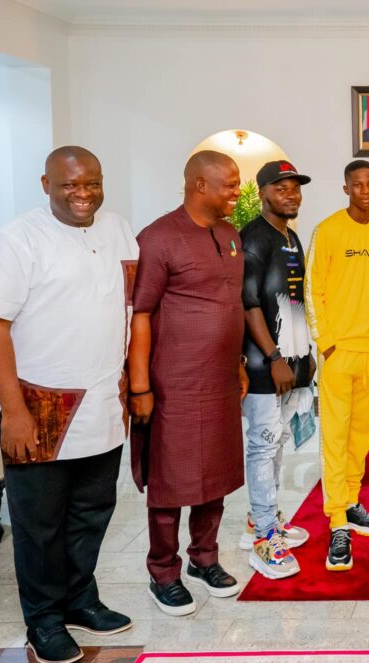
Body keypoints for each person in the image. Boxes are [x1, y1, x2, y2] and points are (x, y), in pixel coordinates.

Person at [0, 146, 136, 663]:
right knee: (40, 525)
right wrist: (13, 412)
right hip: (41, 406)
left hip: (103, 401)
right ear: (45, 183)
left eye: (92, 182)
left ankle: (80, 599)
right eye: (70, 184)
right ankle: (44, 620)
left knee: (91, 514)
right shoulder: (18, 239)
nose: (83, 194)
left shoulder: (118, 229)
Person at [129, 150, 248, 616]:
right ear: (200, 185)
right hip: (173, 384)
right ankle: (163, 571)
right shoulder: (158, 238)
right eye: (230, 184)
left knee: (214, 475)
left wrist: (238, 364)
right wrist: (140, 386)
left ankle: (205, 558)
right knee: (170, 480)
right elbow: (140, 314)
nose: (237, 191)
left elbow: (230, 305)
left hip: (220, 381)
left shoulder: (230, 235)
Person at [305, 160, 369, 571]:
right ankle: (337, 520)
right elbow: (313, 289)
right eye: (357, 184)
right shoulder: (327, 230)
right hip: (339, 353)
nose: (364, 189)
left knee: (361, 437)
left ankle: (352, 501)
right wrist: (326, 345)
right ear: (346, 188)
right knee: (335, 437)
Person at [238, 160, 316, 579]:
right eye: (281, 188)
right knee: (263, 445)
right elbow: (249, 303)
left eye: (295, 188)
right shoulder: (253, 237)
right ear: (263, 192)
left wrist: (304, 354)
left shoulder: (290, 236)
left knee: (278, 440)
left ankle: (262, 518)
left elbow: (294, 302)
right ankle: (265, 539)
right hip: (264, 364)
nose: (291, 194)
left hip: (291, 360)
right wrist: (274, 358)